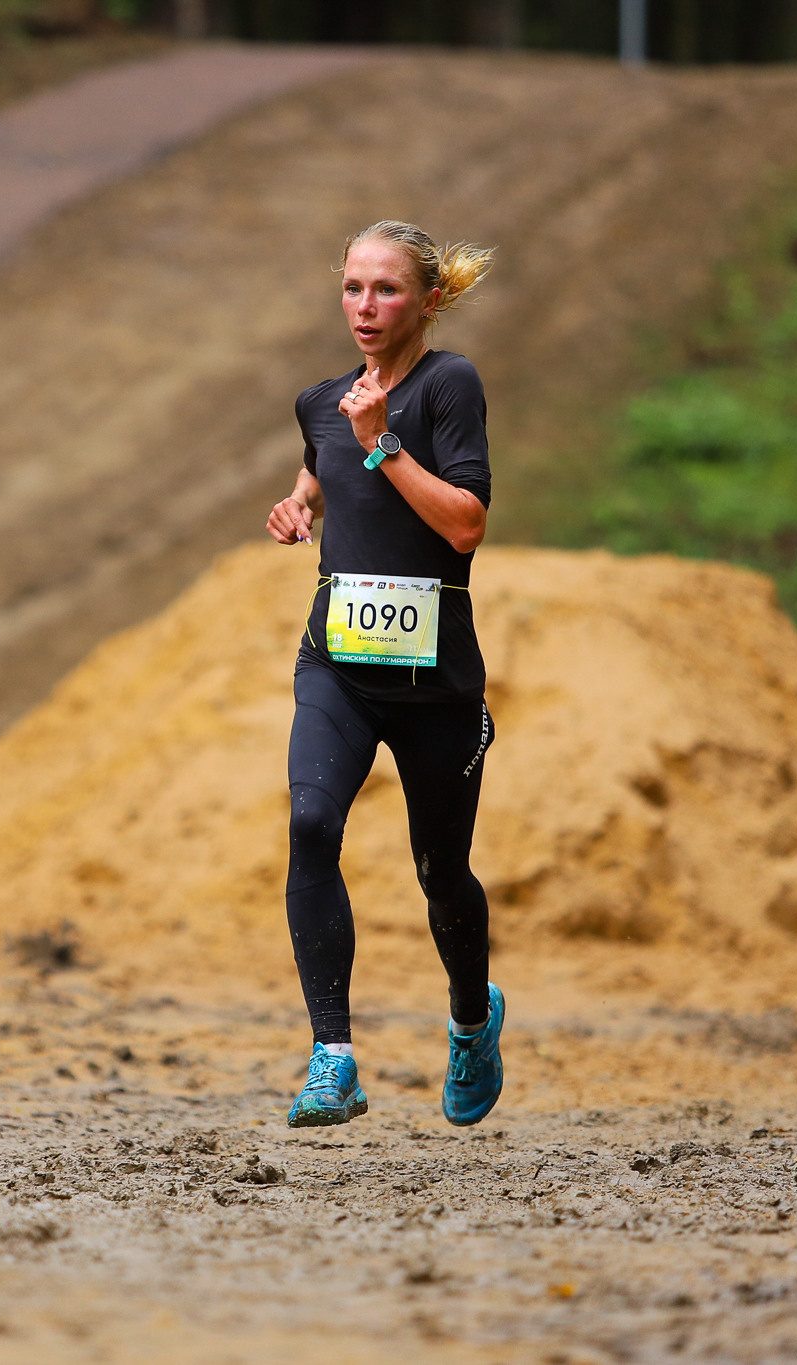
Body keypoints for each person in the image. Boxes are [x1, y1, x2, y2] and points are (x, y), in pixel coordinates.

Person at [264, 220, 503, 1129]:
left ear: (429, 299)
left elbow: (466, 525)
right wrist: (298, 505)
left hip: (435, 682)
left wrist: (384, 444)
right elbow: (323, 468)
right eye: (353, 288)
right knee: (311, 819)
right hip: (340, 666)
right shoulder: (323, 401)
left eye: (388, 290)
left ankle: (472, 1021)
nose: (366, 307)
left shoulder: (449, 386)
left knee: (442, 872)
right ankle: (333, 1057)